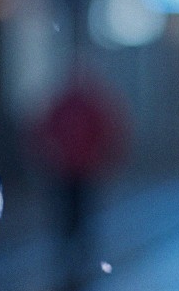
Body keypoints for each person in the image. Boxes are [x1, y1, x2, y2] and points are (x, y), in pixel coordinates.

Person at [31, 70, 127, 276]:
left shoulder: (70, 106)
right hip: (75, 167)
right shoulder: (79, 106)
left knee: (73, 208)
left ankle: (73, 244)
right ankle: (75, 244)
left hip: (76, 167)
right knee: (76, 208)